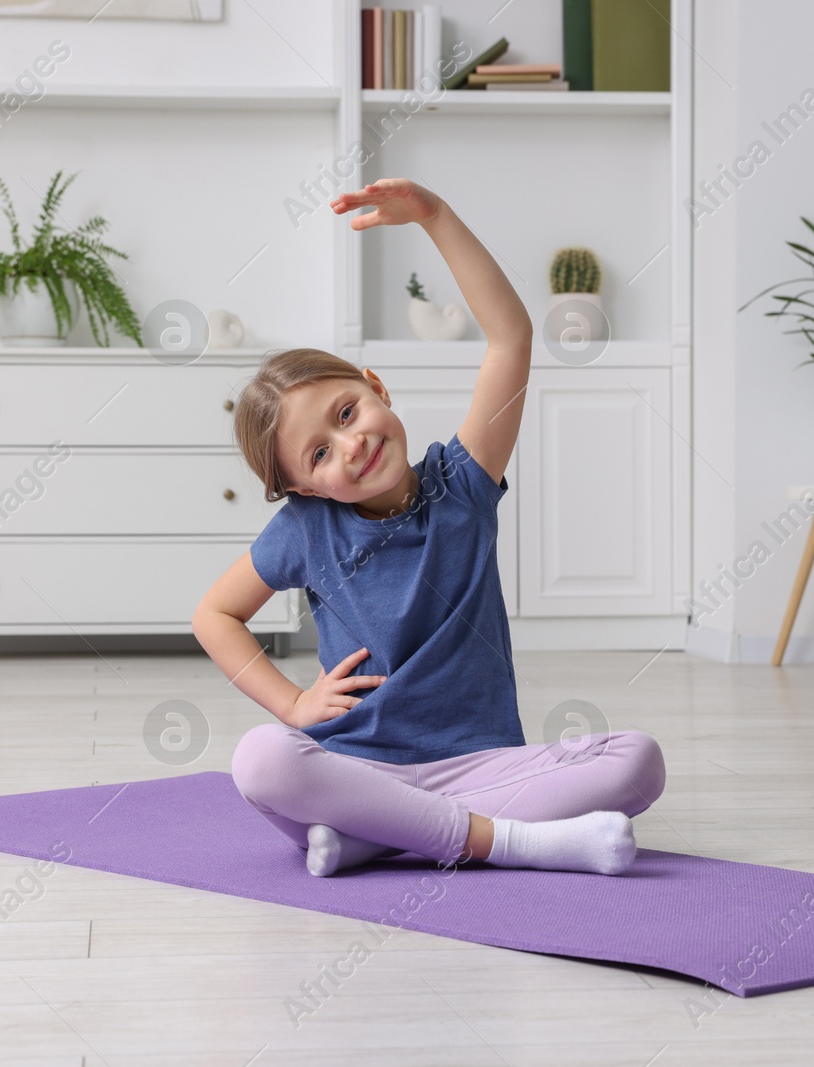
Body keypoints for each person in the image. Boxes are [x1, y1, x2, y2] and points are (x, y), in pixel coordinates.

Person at [191, 178, 665, 877]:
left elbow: (511, 336)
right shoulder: (305, 529)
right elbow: (214, 613)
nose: (349, 444)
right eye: (319, 453)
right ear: (299, 485)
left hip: (483, 765)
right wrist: (294, 703)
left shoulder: (463, 484)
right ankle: (508, 842)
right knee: (260, 758)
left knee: (638, 760)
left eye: (347, 412)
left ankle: (379, 838)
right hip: (357, 767)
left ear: (377, 387)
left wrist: (435, 219)